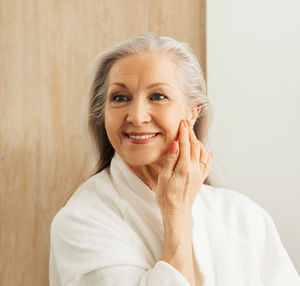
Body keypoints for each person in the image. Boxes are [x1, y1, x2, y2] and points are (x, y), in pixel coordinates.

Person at [49, 34, 300, 286]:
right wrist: (177, 217)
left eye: (158, 96)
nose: (136, 116)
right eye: (120, 98)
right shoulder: (80, 222)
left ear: (193, 112)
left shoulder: (244, 217)